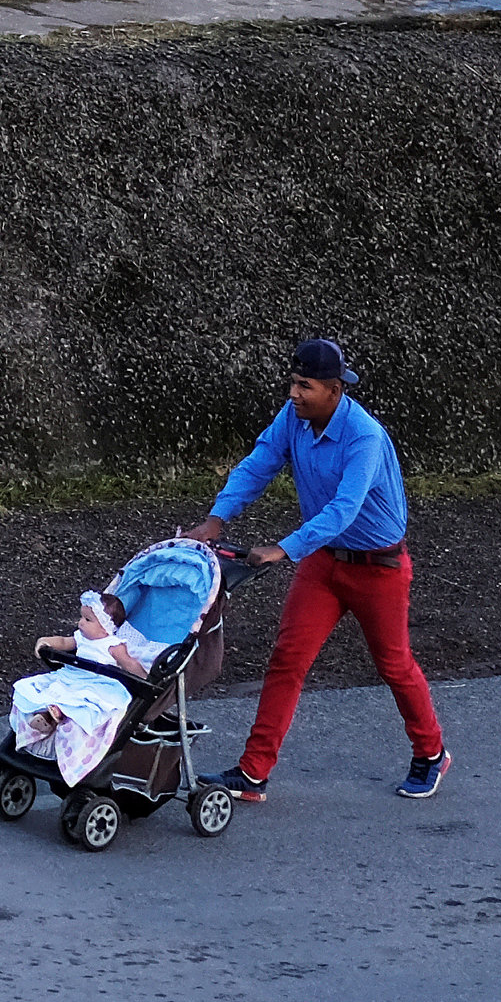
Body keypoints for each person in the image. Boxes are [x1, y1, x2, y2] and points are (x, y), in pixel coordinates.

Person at [184, 337, 450, 802]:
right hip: (325, 563)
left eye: (304, 386)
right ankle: (252, 773)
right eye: (292, 383)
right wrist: (216, 518)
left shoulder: (364, 436)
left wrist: (283, 549)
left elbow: (344, 509)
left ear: (334, 389)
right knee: (288, 659)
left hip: (378, 568)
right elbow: (259, 464)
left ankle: (431, 754)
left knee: (393, 664)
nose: (293, 394)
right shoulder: (294, 419)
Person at [8, 590, 167, 786]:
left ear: (106, 627)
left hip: (99, 683)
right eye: (81, 617)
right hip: (74, 677)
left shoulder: (113, 645)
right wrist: (47, 642)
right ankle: (47, 716)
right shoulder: (81, 637)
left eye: (88, 619)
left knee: (84, 705)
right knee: (37, 689)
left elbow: (129, 663)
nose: (80, 623)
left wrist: (146, 678)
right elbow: (64, 642)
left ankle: (53, 715)